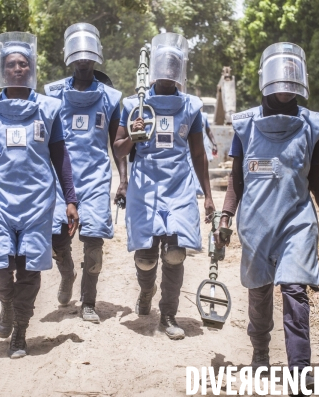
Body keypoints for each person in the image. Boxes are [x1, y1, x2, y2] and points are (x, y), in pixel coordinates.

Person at [215, 42, 319, 391]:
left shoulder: (311, 126)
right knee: (259, 294)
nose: (285, 90)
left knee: (296, 291)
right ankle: (259, 351)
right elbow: (236, 179)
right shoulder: (246, 126)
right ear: (266, 82)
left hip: (297, 221)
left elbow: (316, 176)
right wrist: (225, 218)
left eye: (291, 82)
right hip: (256, 223)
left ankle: (300, 371)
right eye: (279, 82)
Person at [0, 32, 79, 359]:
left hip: (37, 203)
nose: (18, 68)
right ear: (2, 69)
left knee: (28, 268)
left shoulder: (48, 109)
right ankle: (7, 304)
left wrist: (70, 199)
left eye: (24, 63)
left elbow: (60, 156)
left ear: (32, 68)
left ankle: (20, 330)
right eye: (11, 64)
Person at [113, 32, 215, 340]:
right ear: (155, 66)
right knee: (146, 257)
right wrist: (133, 135)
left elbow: (198, 153)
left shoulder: (190, 107)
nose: (169, 69)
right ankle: (146, 292)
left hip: (179, 186)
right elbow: (118, 149)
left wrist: (208, 195)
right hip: (144, 188)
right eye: (164, 62)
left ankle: (168, 314)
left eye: (175, 63)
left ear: (181, 67)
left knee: (174, 254)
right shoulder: (135, 105)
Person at [44, 23, 126, 323]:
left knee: (93, 243)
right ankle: (67, 274)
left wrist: (123, 180)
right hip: (57, 179)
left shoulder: (111, 98)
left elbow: (116, 144)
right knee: (57, 238)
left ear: (96, 58)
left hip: (94, 179)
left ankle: (88, 301)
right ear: (69, 57)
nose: (83, 61)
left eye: (88, 56)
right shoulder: (53, 93)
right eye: (78, 57)